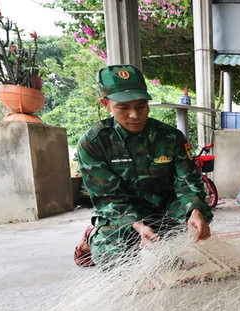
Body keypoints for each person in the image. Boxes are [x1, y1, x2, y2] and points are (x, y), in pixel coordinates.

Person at [74, 65, 212, 267]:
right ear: (106, 104)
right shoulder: (94, 143)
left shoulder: (170, 137)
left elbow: (188, 181)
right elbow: (108, 197)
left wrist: (194, 211)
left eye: (141, 106)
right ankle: (93, 235)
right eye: (123, 108)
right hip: (122, 213)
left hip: (164, 209)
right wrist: (137, 225)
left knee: (198, 221)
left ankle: (162, 232)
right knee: (113, 260)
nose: (134, 115)